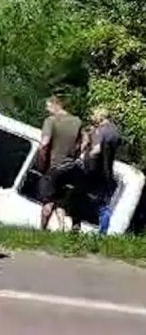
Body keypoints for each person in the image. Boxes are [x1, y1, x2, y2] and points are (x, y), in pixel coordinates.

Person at [38, 96, 82, 230]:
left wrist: (42, 160)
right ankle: (62, 227)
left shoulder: (51, 121)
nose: (47, 109)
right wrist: (74, 156)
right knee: (60, 200)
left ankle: (42, 230)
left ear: (56, 105)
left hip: (54, 165)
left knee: (48, 200)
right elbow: (83, 142)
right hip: (69, 167)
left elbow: (44, 143)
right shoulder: (77, 121)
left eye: (48, 106)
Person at [86, 108, 121, 234]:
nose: (93, 118)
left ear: (100, 117)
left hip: (95, 171)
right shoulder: (115, 131)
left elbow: (97, 149)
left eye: (94, 115)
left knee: (82, 198)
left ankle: (76, 228)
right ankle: (103, 232)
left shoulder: (101, 130)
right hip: (108, 172)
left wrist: (88, 155)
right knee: (105, 204)